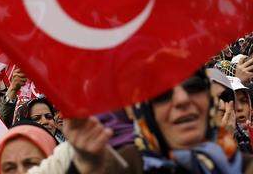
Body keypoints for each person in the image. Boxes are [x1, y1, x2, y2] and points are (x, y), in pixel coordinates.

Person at [64, 69, 253, 173]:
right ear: (144, 110)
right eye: (162, 94)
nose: (182, 100)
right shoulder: (120, 166)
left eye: (193, 86)